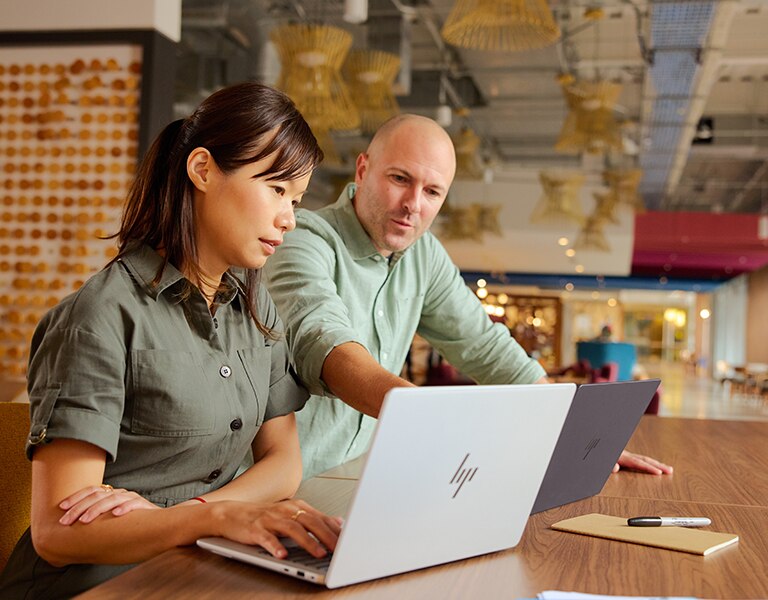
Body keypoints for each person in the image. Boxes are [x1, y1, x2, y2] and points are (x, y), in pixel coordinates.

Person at [0, 82, 341, 599]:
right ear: (202, 169)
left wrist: (207, 516)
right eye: (276, 189)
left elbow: (283, 463)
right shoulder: (99, 316)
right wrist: (213, 520)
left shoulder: (254, 307)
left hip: (193, 567)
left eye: (296, 199)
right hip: (94, 585)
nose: (289, 218)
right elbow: (57, 534)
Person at [264, 114, 673, 479]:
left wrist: (580, 436)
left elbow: (483, 345)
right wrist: (437, 419)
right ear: (363, 169)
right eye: (400, 179)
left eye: (432, 192)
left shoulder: (422, 255)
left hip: (359, 476)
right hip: (283, 485)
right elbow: (328, 347)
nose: (413, 205)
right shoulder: (303, 240)